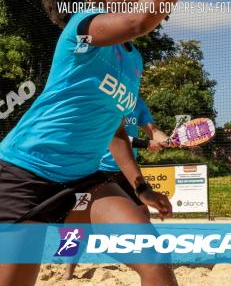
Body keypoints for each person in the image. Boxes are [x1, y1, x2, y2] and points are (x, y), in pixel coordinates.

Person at [0, 0, 230, 286]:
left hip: (84, 179)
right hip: (24, 173)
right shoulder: (82, 27)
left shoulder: (132, 58)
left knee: (155, 261)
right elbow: (140, 21)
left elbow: (115, 128)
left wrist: (141, 186)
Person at [63, 96, 169, 280]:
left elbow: (153, 131)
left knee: (143, 214)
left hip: (128, 173)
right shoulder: (104, 98)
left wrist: (167, 139)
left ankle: (147, 264)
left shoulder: (137, 102)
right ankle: (67, 272)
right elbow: (113, 133)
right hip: (99, 170)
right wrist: (145, 143)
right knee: (78, 223)